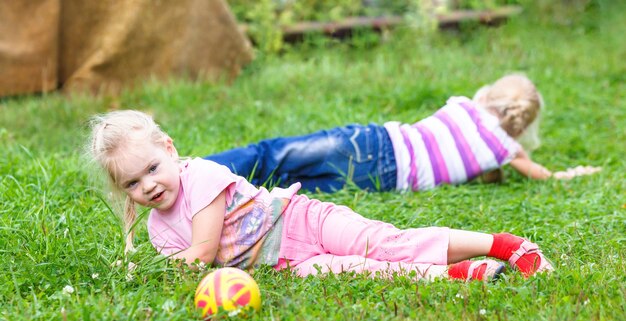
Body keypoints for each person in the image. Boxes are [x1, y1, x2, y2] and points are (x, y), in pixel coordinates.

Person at [87, 110, 554, 282]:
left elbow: (203, 252)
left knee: (386, 244)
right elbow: (189, 268)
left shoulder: (203, 175)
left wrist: (142, 269)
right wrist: (149, 262)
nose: (147, 185)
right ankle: (461, 274)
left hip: (301, 220)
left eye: (151, 168)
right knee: (366, 272)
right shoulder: (156, 229)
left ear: (169, 149)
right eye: (131, 183)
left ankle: (502, 244)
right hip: (283, 263)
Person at [206, 74, 600, 193]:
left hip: (373, 141)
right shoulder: (505, 151)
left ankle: (200, 173)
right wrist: (571, 174)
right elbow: (540, 176)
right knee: (287, 187)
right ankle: (223, 197)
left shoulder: (464, 103)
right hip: (383, 181)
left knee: (273, 155)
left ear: (491, 95)